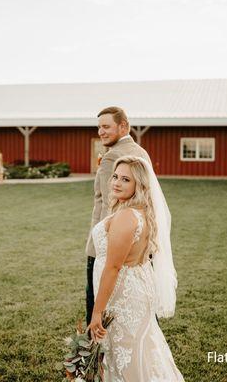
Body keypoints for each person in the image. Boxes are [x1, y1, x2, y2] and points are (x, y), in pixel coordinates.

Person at [87, 155, 185, 381]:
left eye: (125, 180)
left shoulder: (126, 217)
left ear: (139, 185)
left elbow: (112, 267)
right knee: (141, 349)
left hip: (123, 295)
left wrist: (97, 311)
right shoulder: (142, 212)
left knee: (126, 355)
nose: (116, 183)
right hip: (137, 288)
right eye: (115, 177)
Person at [86, 106, 151, 327]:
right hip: (138, 246)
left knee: (98, 312)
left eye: (106, 126)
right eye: (98, 127)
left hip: (109, 248)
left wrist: (102, 251)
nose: (100, 132)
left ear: (123, 126)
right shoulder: (141, 153)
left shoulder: (112, 157)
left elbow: (110, 207)